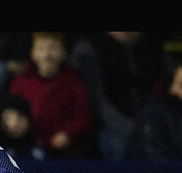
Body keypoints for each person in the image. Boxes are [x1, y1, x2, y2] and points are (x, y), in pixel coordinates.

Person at [70, 32, 166, 160]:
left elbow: (160, 91)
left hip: (148, 122)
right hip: (108, 126)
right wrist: (128, 127)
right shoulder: (89, 48)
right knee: (118, 145)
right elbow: (97, 99)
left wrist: (147, 123)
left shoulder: (153, 47)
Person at [7, 32, 96, 158]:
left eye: (53, 48)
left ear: (64, 53)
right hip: (27, 151)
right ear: (33, 53)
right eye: (41, 48)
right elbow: (11, 114)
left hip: (65, 154)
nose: (47, 55)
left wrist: (67, 134)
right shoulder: (20, 83)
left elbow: (84, 118)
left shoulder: (74, 83)